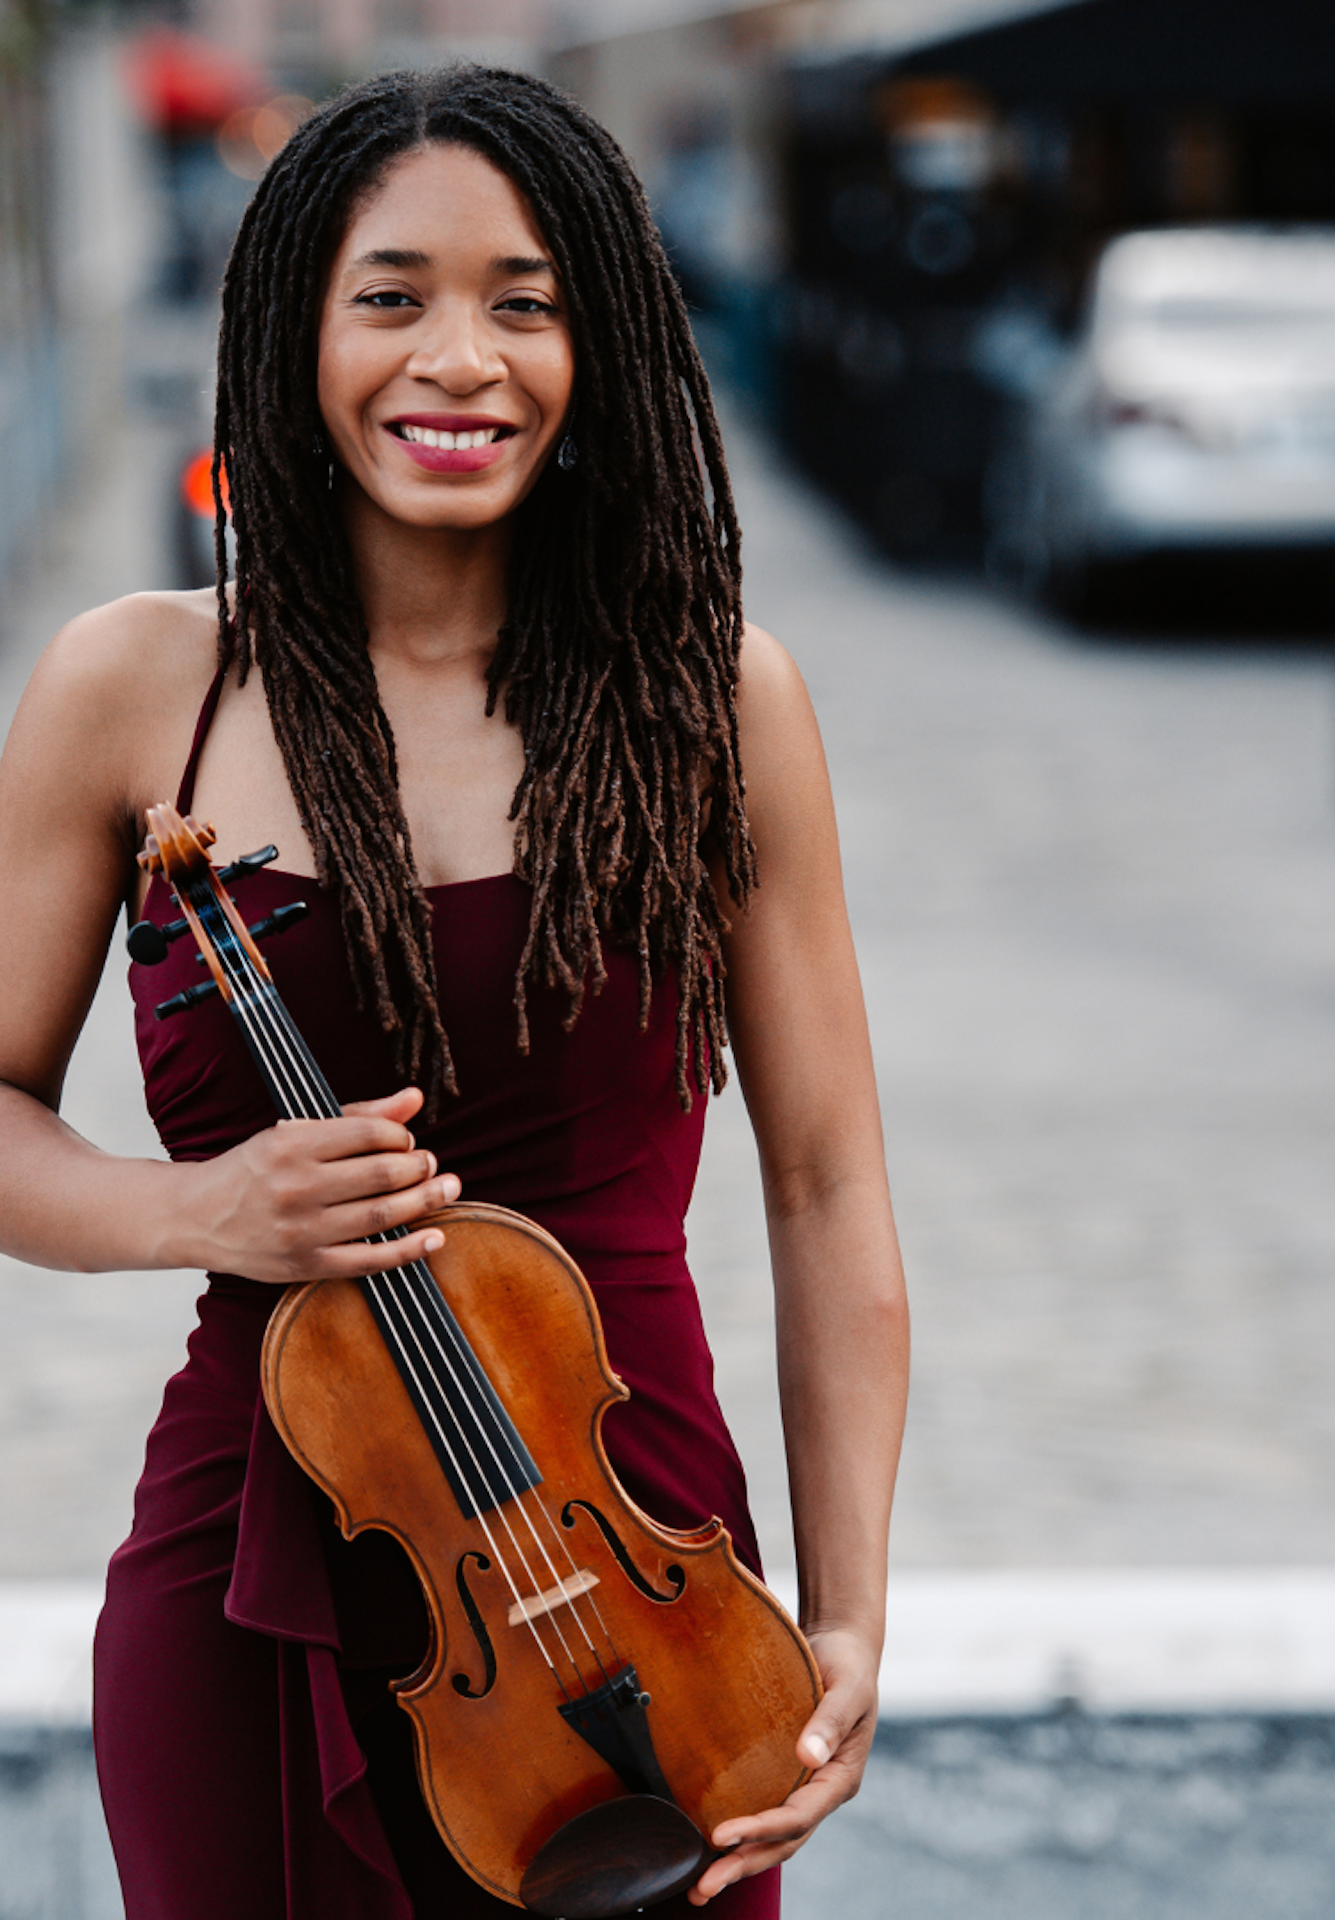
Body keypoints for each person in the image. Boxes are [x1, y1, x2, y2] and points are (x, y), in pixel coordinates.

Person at [0, 66, 908, 1916]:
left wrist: (850, 1611)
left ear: (605, 344)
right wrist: (205, 1209)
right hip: (263, 1568)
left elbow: (823, 1187)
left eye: (525, 300)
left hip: (646, 1592)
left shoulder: (717, 702)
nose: (460, 359)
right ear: (293, 332)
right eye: (392, 295)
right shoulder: (134, 686)